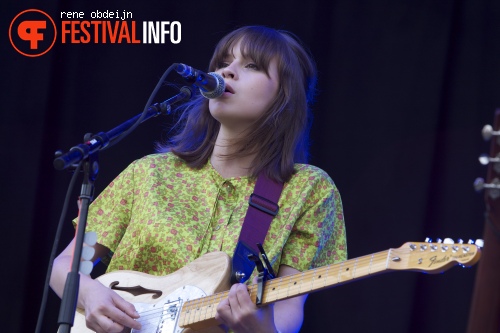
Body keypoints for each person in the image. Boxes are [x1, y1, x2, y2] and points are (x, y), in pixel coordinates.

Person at [50, 25, 347, 333]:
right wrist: (89, 294)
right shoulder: (149, 173)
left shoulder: (308, 189)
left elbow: (288, 308)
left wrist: (261, 330)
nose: (228, 71)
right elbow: (66, 265)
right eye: (224, 62)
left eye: (251, 65)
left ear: (286, 95)